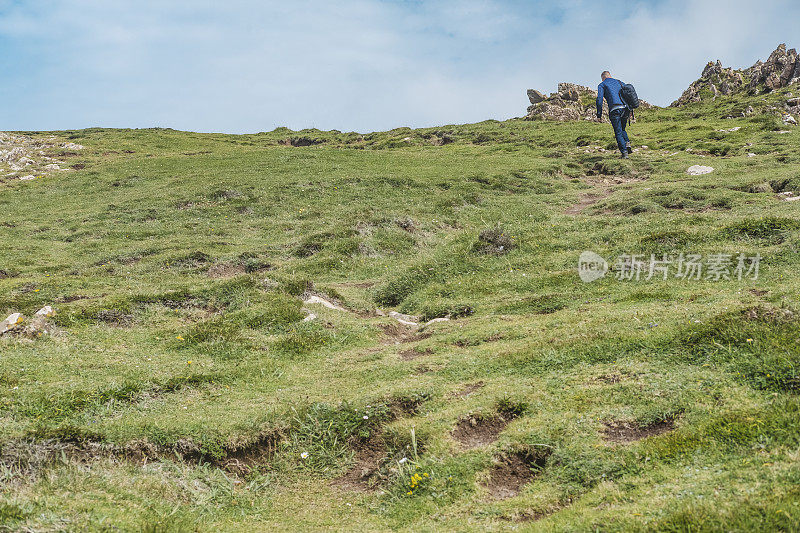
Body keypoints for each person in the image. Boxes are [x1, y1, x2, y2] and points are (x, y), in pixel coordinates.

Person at [596, 71, 633, 159]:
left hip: (615, 109)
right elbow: (629, 96)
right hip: (625, 108)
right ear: (610, 76)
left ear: (603, 78)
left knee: (618, 131)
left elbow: (599, 99)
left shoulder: (602, 84)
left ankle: (624, 153)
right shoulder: (620, 82)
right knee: (622, 128)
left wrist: (599, 114)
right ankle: (627, 143)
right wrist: (631, 110)